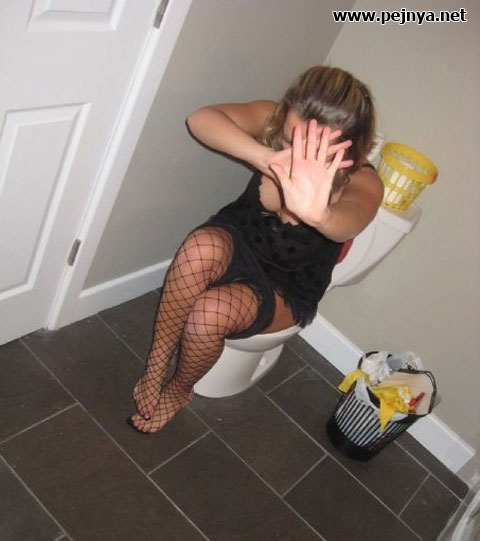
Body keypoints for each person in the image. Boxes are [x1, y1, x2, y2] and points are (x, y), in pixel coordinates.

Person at [127, 65, 384, 434]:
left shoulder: (364, 180)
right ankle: (155, 367)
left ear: (349, 150)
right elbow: (200, 119)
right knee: (199, 247)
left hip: (289, 281)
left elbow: (351, 220)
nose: (297, 156)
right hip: (242, 236)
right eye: (290, 140)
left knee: (209, 314)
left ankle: (180, 390)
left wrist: (320, 215)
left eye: (315, 152)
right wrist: (266, 157)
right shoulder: (273, 119)